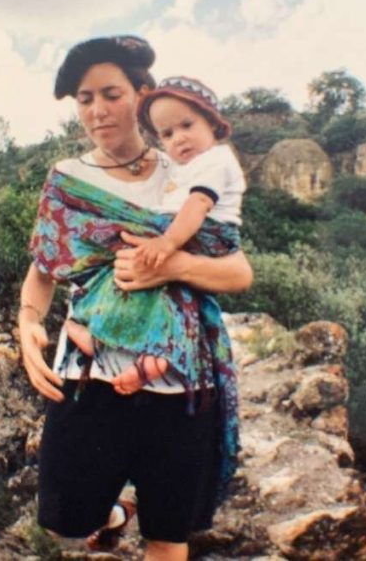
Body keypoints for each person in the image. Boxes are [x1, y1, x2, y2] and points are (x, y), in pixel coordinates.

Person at [18, 36, 253, 561]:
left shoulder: (188, 168)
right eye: (84, 98)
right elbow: (43, 272)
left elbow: (238, 271)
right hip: (89, 373)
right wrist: (28, 324)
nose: (98, 110)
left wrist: (173, 265)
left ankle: (141, 511)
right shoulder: (67, 180)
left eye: (111, 93)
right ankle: (116, 510)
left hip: (180, 380)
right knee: (64, 518)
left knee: (168, 535)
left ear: (142, 95)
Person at [63, 75, 246, 387]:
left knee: (129, 273)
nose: (179, 139)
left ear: (213, 124)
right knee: (166, 297)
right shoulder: (183, 167)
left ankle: (93, 326)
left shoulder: (215, 160)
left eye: (187, 125)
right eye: (168, 134)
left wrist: (166, 243)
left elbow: (199, 204)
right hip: (185, 235)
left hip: (203, 236)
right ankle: (149, 361)